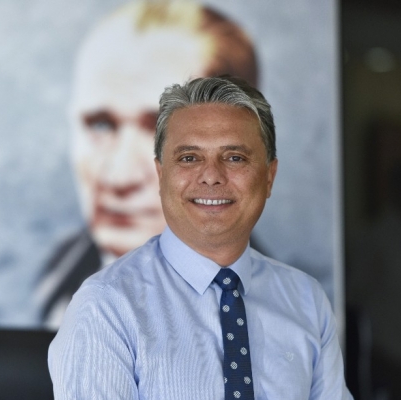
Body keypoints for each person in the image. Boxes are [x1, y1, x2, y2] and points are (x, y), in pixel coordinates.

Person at [48, 76, 353, 399]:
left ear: (269, 177)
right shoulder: (105, 307)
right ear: (161, 175)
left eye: (234, 157)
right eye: (189, 158)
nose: (211, 176)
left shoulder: (306, 300)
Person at [36, 0, 260, 326]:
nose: (120, 176)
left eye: (160, 129)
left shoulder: (292, 309)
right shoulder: (48, 278)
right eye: (101, 124)